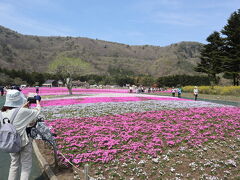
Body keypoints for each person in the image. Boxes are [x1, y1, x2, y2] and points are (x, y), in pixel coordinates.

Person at [0, 90, 41, 180]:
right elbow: (37, 111)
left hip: (10, 142)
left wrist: (24, 106)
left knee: (14, 164)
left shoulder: (1, 112)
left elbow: (14, 113)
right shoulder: (22, 111)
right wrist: (37, 100)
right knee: (26, 165)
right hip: (23, 141)